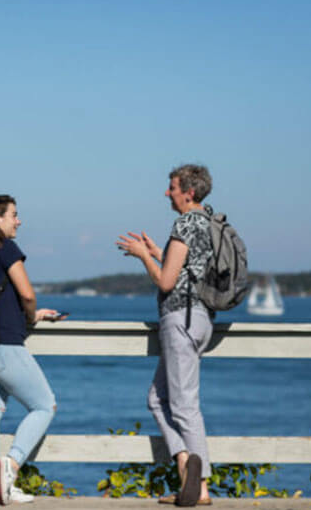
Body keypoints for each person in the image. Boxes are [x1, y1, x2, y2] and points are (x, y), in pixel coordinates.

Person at [116, 164, 214, 507]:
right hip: (200, 319)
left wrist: (144, 258)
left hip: (181, 319)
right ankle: (188, 467)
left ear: (188, 192)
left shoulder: (185, 223)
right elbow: (188, 269)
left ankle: (200, 488)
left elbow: (167, 282)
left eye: (172, 187)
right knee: (158, 400)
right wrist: (158, 253)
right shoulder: (209, 222)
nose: (167, 193)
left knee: (185, 406)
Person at [0, 194, 63, 506]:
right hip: (4, 344)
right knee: (45, 405)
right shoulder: (5, 248)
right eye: (14, 215)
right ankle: (12, 464)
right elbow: (27, 293)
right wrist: (32, 315)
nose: (18, 221)